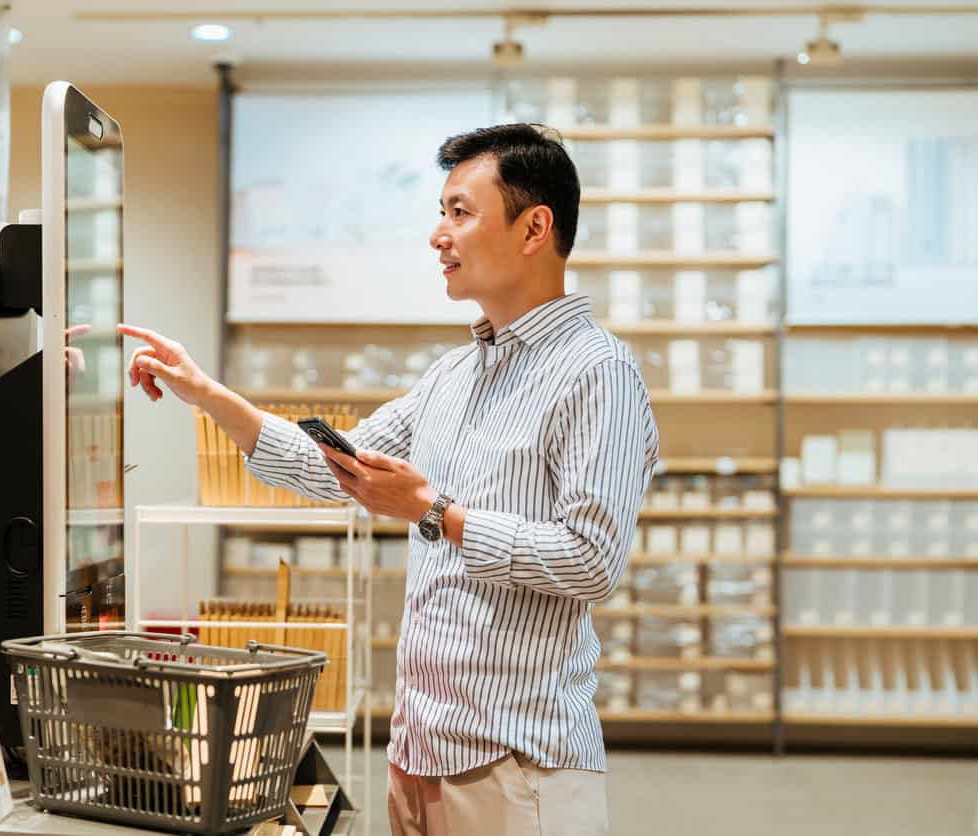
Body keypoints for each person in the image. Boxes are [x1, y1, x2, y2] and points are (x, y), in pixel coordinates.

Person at [119, 123, 658, 836]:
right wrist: (211, 396)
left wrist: (435, 512)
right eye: (440, 212)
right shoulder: (455, 374)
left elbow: (590, 560)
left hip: (519, 763)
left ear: (534, 228)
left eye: (460, 213)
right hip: (420, 750)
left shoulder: (598, 373)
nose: (439, 235)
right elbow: (331, 467)